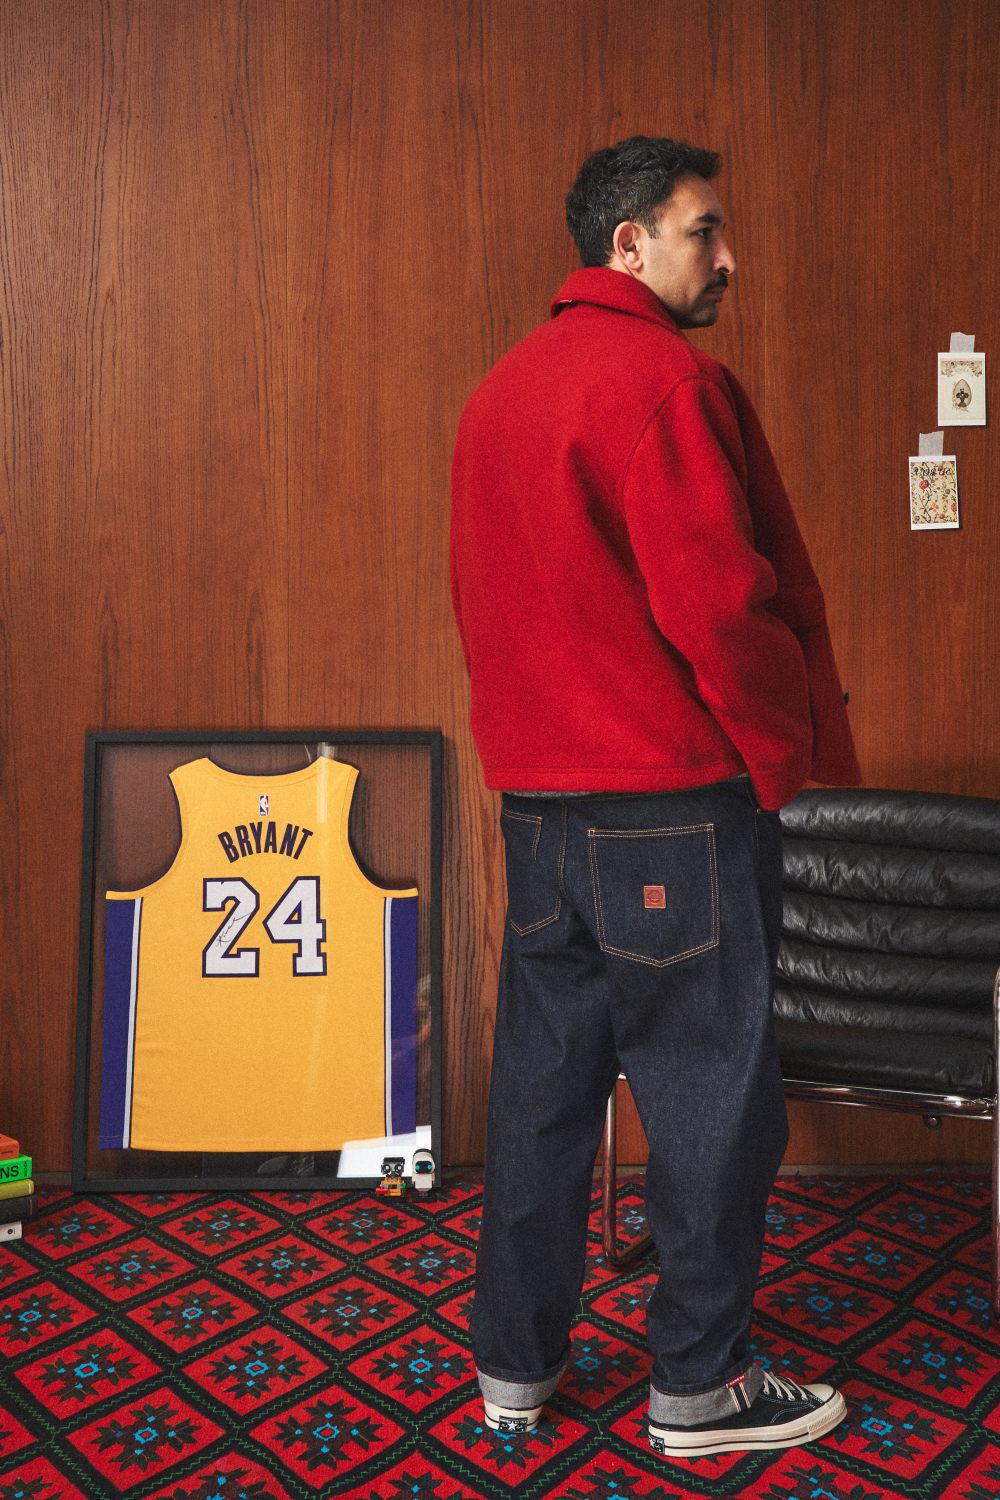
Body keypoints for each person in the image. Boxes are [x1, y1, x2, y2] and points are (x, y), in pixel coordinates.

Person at [449, 135, 861, 1458]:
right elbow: (721, 607)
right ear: (627, 244)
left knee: (543, 1096)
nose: (727, 257)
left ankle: (514, 1369)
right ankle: (700, 1385)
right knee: (708, 1099)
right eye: (703, 231)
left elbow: (489, 603)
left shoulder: (500, 391)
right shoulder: (665, 380)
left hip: (540, 804)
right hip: (671, 800)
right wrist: (783, 759)